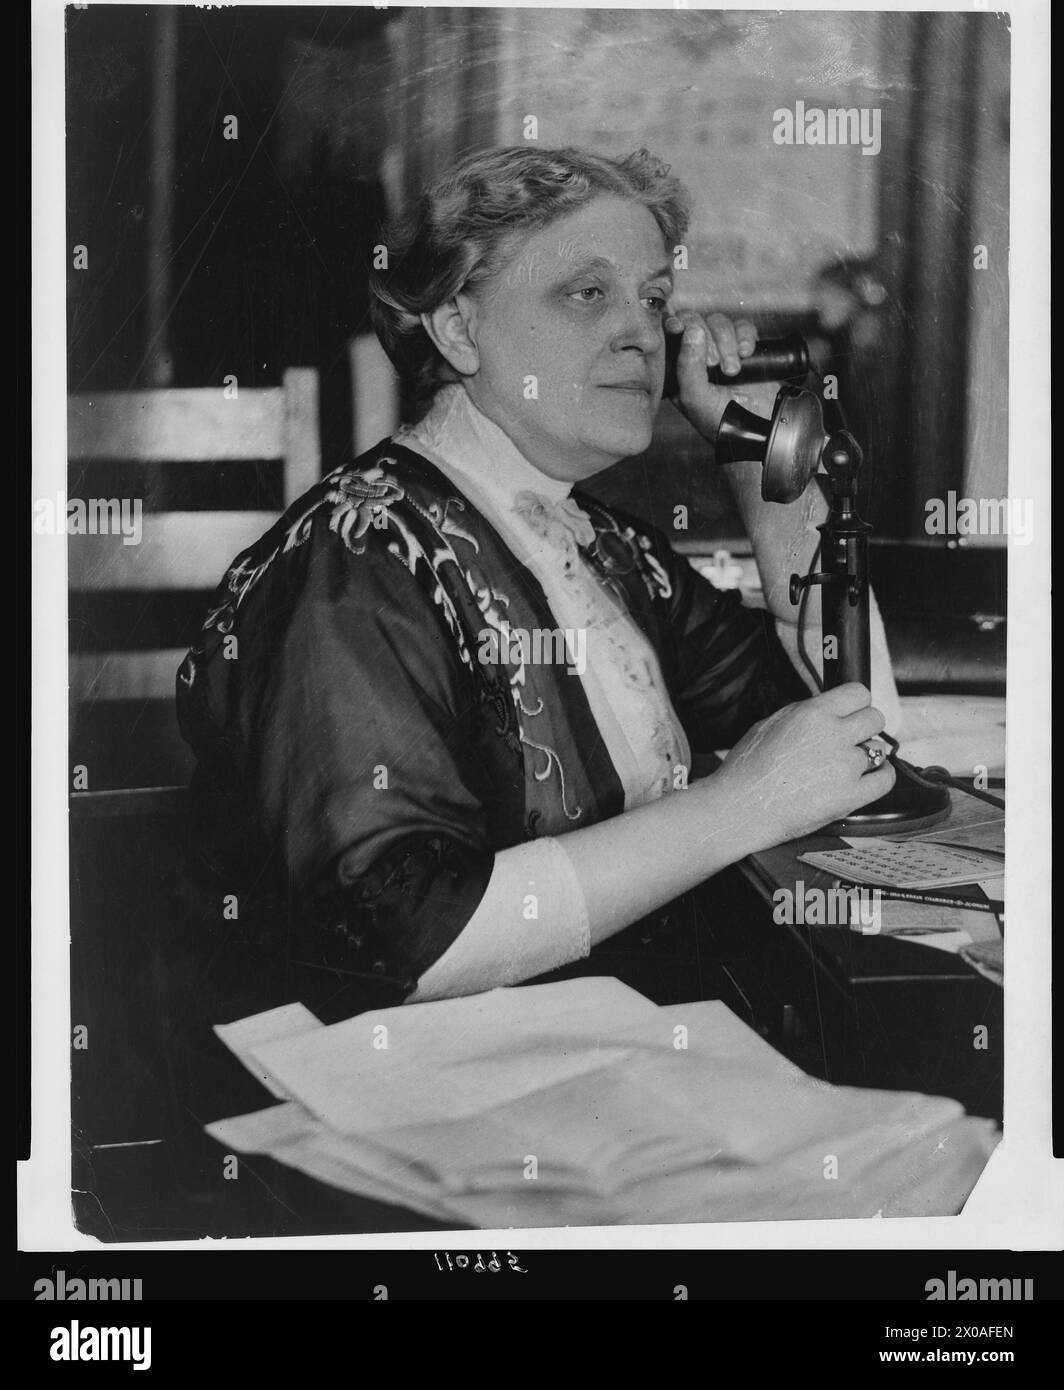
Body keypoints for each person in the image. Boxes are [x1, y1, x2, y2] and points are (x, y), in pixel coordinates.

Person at [176, 145, 900, 1011]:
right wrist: (737, 808)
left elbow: (850, 736)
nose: (641, 330)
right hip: (380, 1093)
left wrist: (756, 451)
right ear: (459, 329)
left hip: (595, 1043)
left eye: (655, 298)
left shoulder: (600, 546)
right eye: (587, 293)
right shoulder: (357, 557)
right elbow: (400, 940)